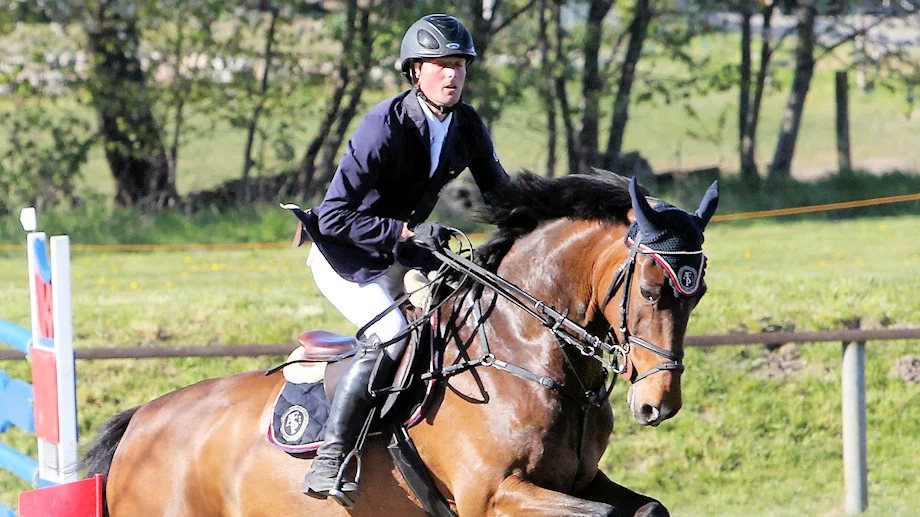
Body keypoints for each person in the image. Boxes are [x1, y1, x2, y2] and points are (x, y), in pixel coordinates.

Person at [298, 14, 510, 503]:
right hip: (345, 259)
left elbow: (504, 200)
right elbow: (333, 215)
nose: (452, 74)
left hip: (399, 253)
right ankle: (331, 458)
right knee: (391, 333)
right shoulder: (383, 126)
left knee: (457, 319)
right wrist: (405, 232)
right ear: (415, 71)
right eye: (440, 65)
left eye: (459, 64)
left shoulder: (467, 125)